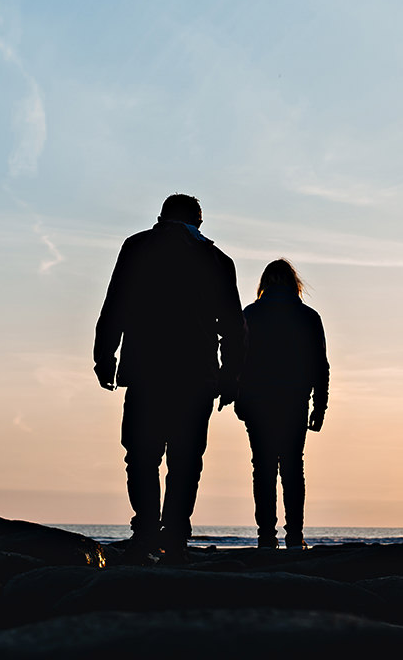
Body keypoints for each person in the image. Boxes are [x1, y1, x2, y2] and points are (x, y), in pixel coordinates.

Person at [93, 194, 246, 563]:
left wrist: (105, 356)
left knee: (142, 455)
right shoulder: (216, 259)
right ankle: (175, 535)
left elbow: (116, 302)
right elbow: (232, 324)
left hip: (146, 368)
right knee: (186, 458)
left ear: (160, 217)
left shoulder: (137, 247)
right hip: (197, 373)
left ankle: (145, 532)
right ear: (199, 222)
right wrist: (230, 376)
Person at [236, 259, 329, 549]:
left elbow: (238, 360)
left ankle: (266, 536)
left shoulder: (250, 314)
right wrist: (319, 406)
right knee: (292, 466)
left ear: (264, 283)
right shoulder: (308, 317)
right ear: (294, 285)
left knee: (262, 467)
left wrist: (238, 398)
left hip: (257, 401)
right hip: (294, 401)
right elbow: (320, 365)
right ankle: (294, 535)